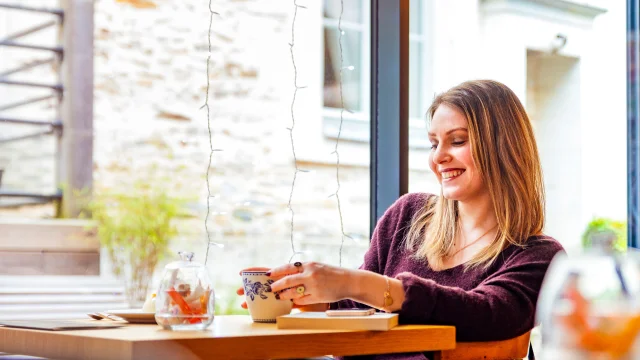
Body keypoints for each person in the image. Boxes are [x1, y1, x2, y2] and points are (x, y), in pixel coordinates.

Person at [237, 79, 564, 360]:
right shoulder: (408, 216)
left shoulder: (539, 257)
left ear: (503, 147)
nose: (438, 157)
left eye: (458, 140)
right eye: (434, 143)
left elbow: (486, 313)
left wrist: (351, 282)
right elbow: (355, 310)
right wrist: (301, 294)